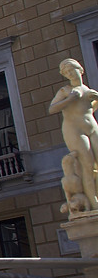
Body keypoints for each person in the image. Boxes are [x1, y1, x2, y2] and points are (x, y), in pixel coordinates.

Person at [49, 58, 98, 214]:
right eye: (66, 72)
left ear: (80, 70)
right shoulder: (65, 91)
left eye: (72, 70)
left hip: (91, 126)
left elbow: (88, 109)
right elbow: (52, 109)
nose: (70, 74)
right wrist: (70, 99)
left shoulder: (87, 89)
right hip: (74, 130)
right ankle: (93, 202)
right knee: (88, 165)